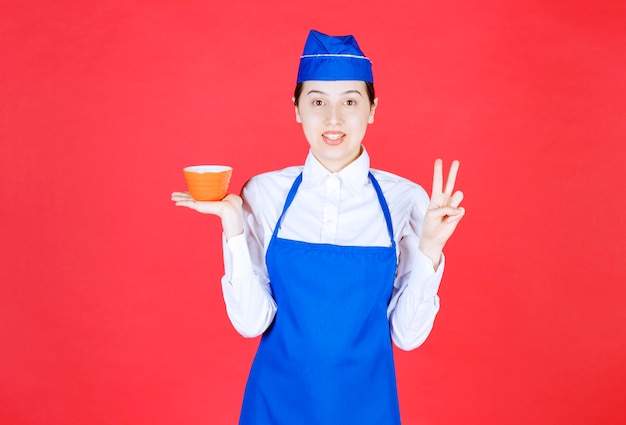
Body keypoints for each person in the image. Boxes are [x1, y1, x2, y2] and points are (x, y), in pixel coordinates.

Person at [171, 29, 465, 425]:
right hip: (274, 407)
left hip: (368, 409)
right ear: (296, 109)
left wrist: (431, 248)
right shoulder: (263, 193)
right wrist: (234, 229)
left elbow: (407, 337)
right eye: (316, 101)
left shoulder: (407, 200)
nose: (333, 119)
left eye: (350, 101)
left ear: (373, 109)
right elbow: (250, 323)